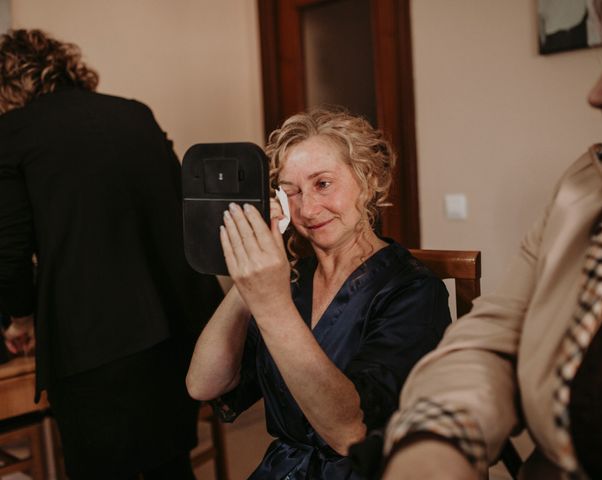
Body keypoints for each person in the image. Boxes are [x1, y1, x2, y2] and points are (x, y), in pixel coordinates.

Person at [381, 0, 602, 478]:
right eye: (288, 188)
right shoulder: (587, 185)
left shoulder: (402, 284)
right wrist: (433, 447)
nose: (597, 93)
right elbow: (495, 338)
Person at [0, 29, 223, 479]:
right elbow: (180, 212)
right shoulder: (135, 114)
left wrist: (21, 319)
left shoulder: (12, 134)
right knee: (170, 465)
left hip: (92, 343)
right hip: (176, 326)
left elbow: (9, 254)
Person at [186, 108, 452, 479]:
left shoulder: (413, 291)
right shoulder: (290, 279)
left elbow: (349, 433)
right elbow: (203, 384)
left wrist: (270, 303)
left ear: (369, 179)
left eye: (323, 184)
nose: (307, 209)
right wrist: (247, 284)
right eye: (291, 191)